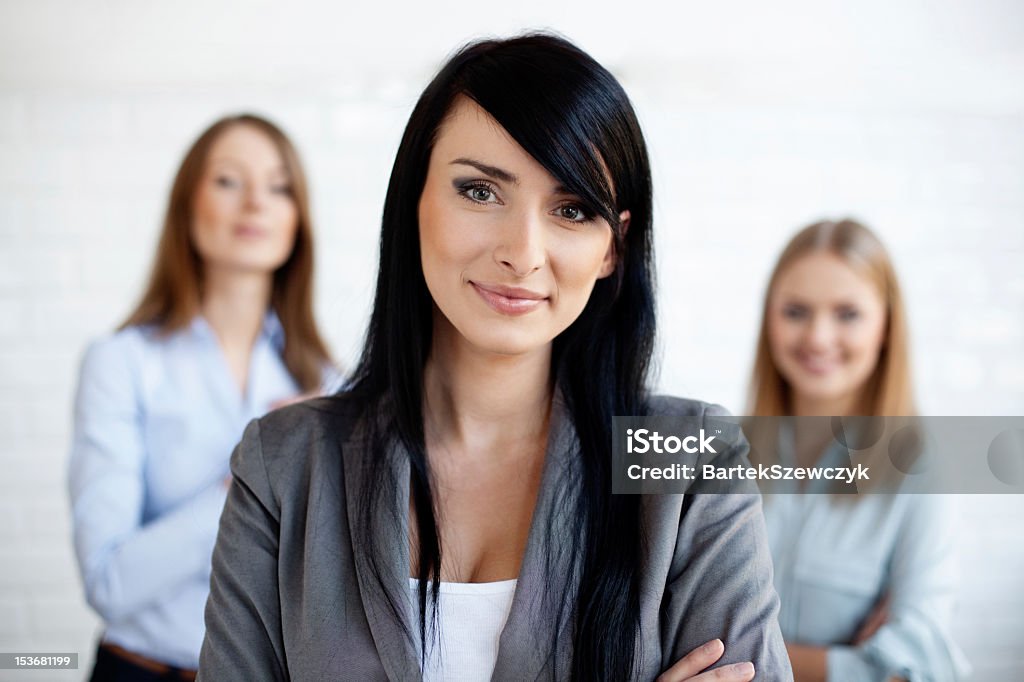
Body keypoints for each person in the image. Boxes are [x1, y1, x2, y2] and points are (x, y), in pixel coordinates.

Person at [198, 34, 792, 681]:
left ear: (613, 247)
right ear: (414, 202)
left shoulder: (690, 458)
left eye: (571, 209)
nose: (523, 251)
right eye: (481, 192)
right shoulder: (285, 466)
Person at [68, 113, 336, 681]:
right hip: (141, 670)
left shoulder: (329, 385)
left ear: (297, 218)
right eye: (229, 180)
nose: (256, 203)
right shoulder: (122, 363)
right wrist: (250, 476)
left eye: (279, 185)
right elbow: (109, 583)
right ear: (187, 205)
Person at [747, 219, 969, 681]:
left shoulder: (922, 469)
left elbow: (922, 668)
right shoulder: (719, 454)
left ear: (886, 325)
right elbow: (669, 627)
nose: (818, 338)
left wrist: (748, 653)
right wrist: (847, 664)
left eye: (847, 313)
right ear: (769, 317)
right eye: (795, 311)